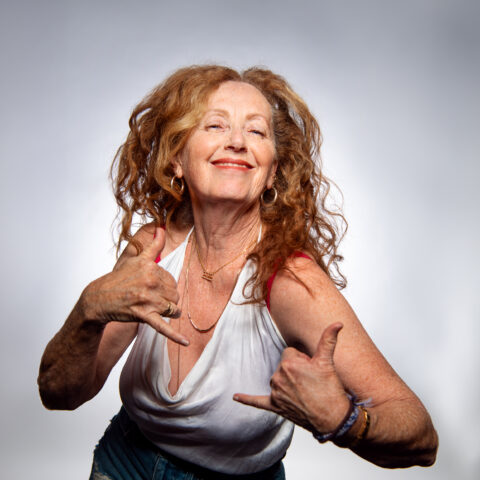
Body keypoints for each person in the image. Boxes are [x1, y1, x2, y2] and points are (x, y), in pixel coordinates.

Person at [38, 65, 438, 479]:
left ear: (272, 173)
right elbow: (59, 393)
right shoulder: (153, 248)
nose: (236, 142)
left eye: (256, 132)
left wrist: (345, 420)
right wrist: (88, 309)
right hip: (124, 464)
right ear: (177, 159)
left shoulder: (289, 282)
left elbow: (422, 438)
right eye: (215, 125)